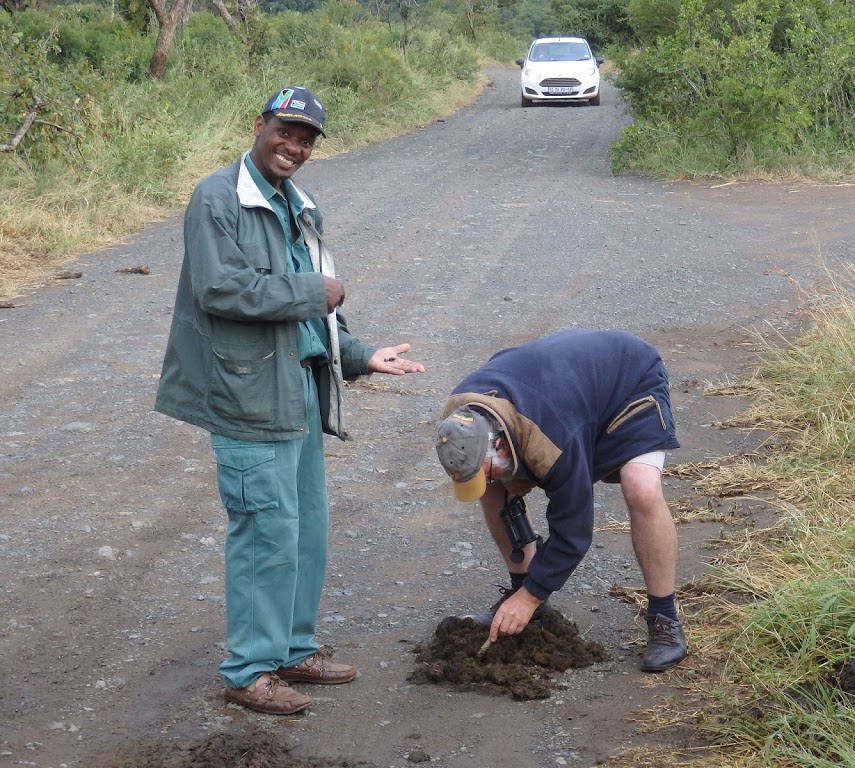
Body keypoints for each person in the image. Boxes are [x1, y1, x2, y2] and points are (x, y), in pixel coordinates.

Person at [154, 85, 425, 715]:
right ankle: (248, 670)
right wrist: (311, 290)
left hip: (298, 387)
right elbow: (220, 288)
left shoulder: (299, 205)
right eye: (286, 131)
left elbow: (317, 315)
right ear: (260, 125)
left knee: (305, 528)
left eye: (305, 140)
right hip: (245, 393)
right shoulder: (216, 197)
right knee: (262, 532)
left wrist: (360, 356)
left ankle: (292, 649)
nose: (294, 146)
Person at [434, 329, 686, 673]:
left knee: (640, 486)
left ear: (502, 446)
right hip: (568, 391)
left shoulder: (552, 438)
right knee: (491, 486)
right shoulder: (459, 420)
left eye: (493, 466)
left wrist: (531, 597)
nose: (489, 477)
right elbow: (487, 467)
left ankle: (664, 619)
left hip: (629, 381)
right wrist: (506, 477)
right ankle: (521, 587)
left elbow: (574, 530)